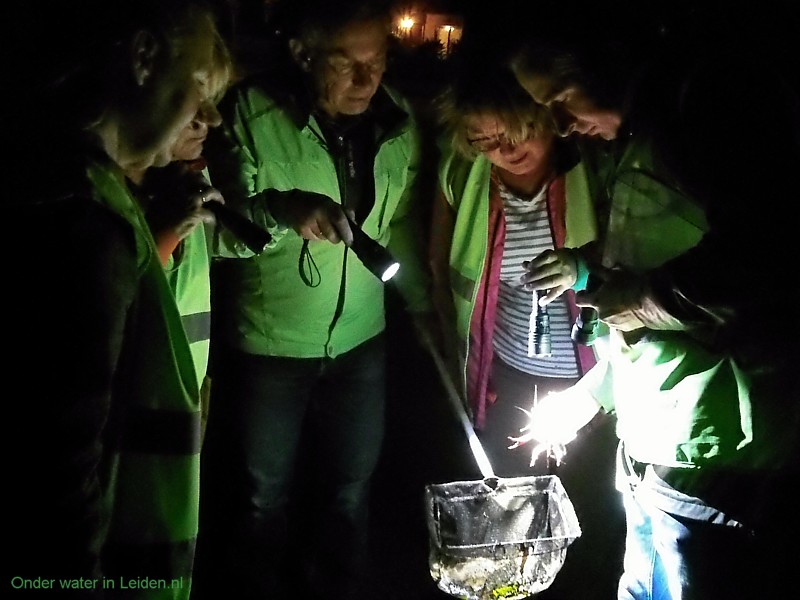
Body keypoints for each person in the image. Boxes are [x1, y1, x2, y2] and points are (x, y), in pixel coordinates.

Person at [502, 1, 800, 598]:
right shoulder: (641, 137)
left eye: (562, 96)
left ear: (613, 58)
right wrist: (589, 393)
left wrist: (634, 299)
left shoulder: (715, 108)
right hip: (651, 446)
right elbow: (658, 249)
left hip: (712, 455)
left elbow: (760, 259)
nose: (559, 125)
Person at [198, 0, 433, 598]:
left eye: (377, 60)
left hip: (362, 342)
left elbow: (399, 221)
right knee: (260, 497)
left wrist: (422, 304)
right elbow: (217, 234)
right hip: (270, 342)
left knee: (350, 491)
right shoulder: (250, 115)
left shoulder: (397, 121)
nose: (366, 79)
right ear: (303, 55)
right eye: (345, 62)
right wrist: (280, 210)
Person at [4, 1, 230, 597]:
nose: (207, 113)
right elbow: (60, 472)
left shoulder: (71, 186)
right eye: (201, 84)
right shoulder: (79, 220)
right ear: (143, 58)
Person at [430, 59, 624, 599]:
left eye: (513, 133)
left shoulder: (596, 168)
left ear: (545, 117)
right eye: (484, 141)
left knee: (591, 509)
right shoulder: (463, 177)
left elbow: (632, 263)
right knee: (513, 515)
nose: (503, 150)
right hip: (507, 374)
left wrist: (578, 268)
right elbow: (441, 272)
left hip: (590, 382)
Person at [126, 39, 233, 443]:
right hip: (135, 399)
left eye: (214, 100)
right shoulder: (107, 194)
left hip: (186, 386)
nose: (211, 119)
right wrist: (169, 232)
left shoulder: (190, 179)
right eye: (194, 98)